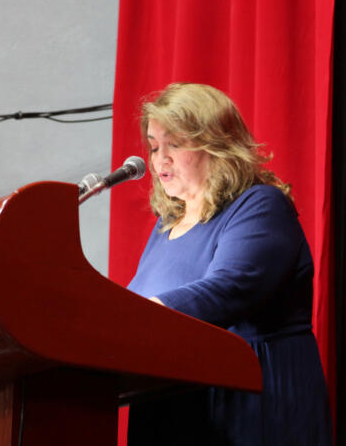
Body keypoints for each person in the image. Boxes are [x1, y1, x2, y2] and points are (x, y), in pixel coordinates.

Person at [126, 82, 333, 445]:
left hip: (253, 399)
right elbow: (134, 299)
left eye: (174, 144)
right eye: (155, 146)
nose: (160, 160)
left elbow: (229, 288)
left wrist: (141, 315)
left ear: (215, 144)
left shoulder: (260, 205)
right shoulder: (166, 225)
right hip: (174, 400)